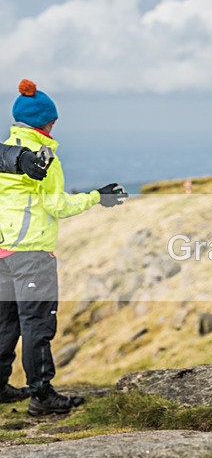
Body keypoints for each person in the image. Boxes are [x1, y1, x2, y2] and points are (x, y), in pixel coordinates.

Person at [0, 79, 127, 415]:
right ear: (46, 122)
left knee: (6, 322)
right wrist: (97, 197)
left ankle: (0, 386)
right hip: (31, 253)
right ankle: (42, 396)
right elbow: (57, 206)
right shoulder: (43, 159)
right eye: (53, 121)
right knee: (37, 324)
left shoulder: (6, 150)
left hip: (3, 252)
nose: (54, 126)